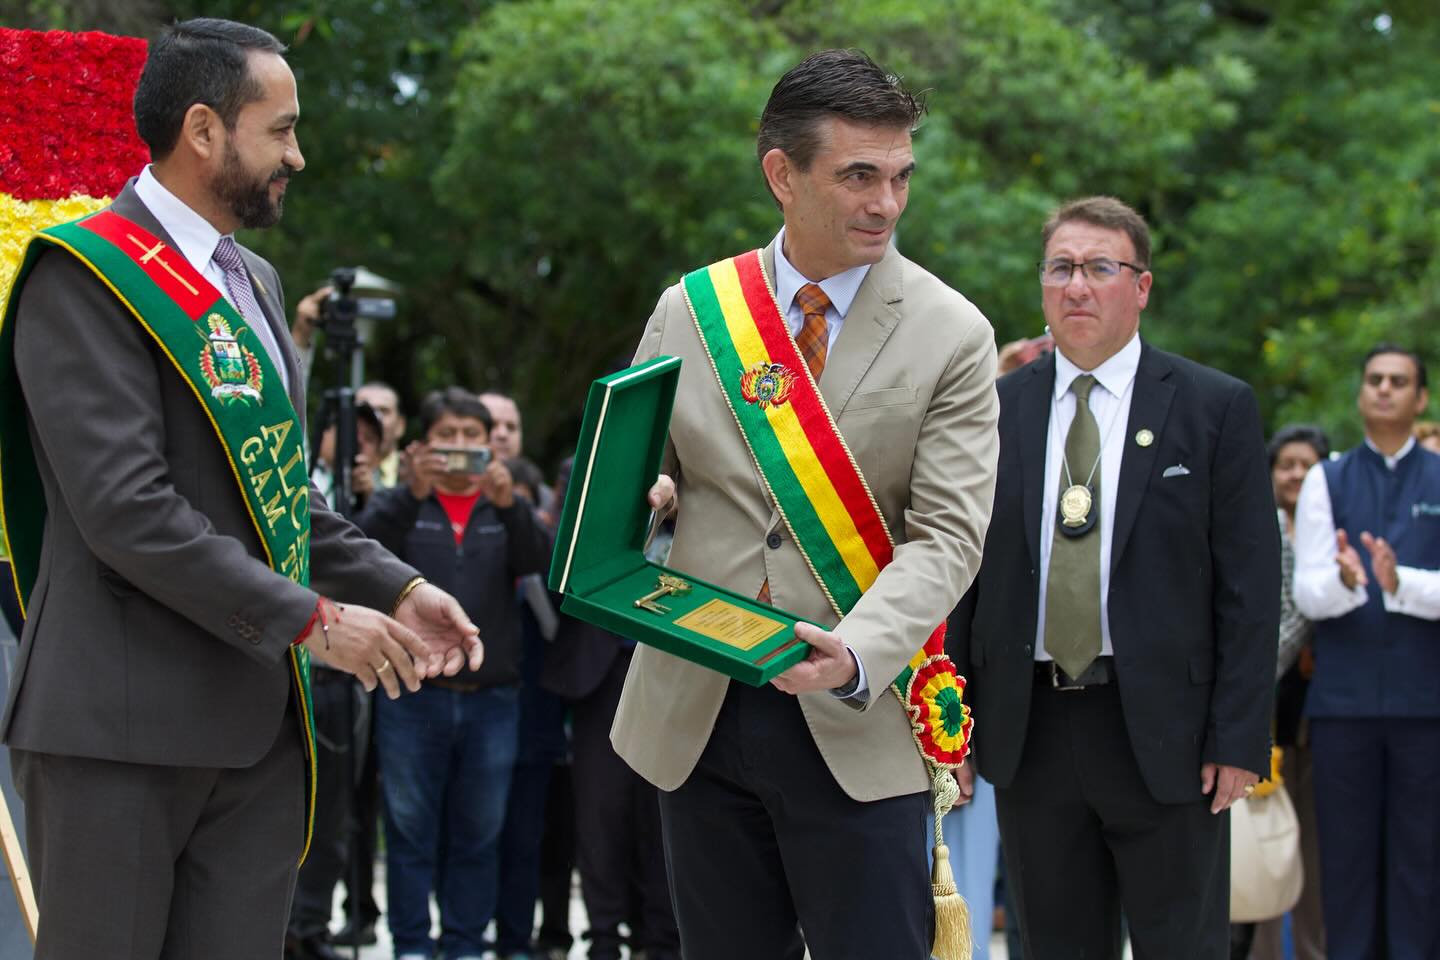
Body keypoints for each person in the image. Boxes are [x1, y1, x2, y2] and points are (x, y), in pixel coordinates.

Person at [0, 19, 481, 960]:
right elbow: (127, 510)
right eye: (282, 129)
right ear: (204, 129)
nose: (297, 155)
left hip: (256, 733)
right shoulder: (84, 275)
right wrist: (314, 621)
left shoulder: (251, 279)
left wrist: (398, 587)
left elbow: (278, 494)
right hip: (119, 735)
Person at [614, 49, 1000, 960]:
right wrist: (644, 500)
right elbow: (627, 477)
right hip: (698, 707)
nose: (886, 203)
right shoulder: (691, 309)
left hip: (858, 712)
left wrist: (857, 653)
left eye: (901, 176)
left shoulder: (954, 332)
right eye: (859, 175)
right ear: (781, 175)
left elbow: (949, 536)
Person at [948, 195, 1279, 959]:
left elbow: (1250, 589)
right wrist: (955, 724)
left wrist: (1238, 737)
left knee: (1182, 946)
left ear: (1142, 286)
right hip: (1030, 728)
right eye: (1060, 268)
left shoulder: (1213, 407)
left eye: (1100, 267)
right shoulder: (994, 410)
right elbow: (962, 573)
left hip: (1170, 733)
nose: (1076, 286)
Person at [355, 387, 551, 960]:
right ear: (423, 444)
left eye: (472, 436)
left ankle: (465, 944)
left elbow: (543, 562)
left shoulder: (504, 504)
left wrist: (510, 505)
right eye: (447, 436)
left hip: (494, 698)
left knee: (480, 833)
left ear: (490, 444)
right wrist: (410, 494)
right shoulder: (402, 502)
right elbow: (359, 553)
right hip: (411, 692)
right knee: (409, 831)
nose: (460, 447)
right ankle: (412, 945)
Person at [1292, 344, 1440, 959]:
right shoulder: (1326, 479)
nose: (1384, 389)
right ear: (1360, 394)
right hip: (1344, 706)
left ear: (1421, 398)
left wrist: (1399, 583)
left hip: (1425, 705)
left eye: (1398, 381)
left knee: (1421, 862)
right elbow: (1307, 590)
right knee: (1345, 862)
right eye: (1374, 379)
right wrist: (1347, 582)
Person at [1235, 424, 1329, 960]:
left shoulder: (1333, 529)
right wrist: (1257, 673)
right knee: (1262, 845)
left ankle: (1314, 950)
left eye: (1307, 465)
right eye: (1286, 465)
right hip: (1265, 713)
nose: (1296, 475)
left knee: (1312, 847)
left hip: (1317, 717)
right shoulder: (1258, 528)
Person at [359, 381, 408, 489]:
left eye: (383, 411)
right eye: (365, 411)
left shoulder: (414, 475)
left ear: (400, 425)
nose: (374, 418)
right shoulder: (332, 471)